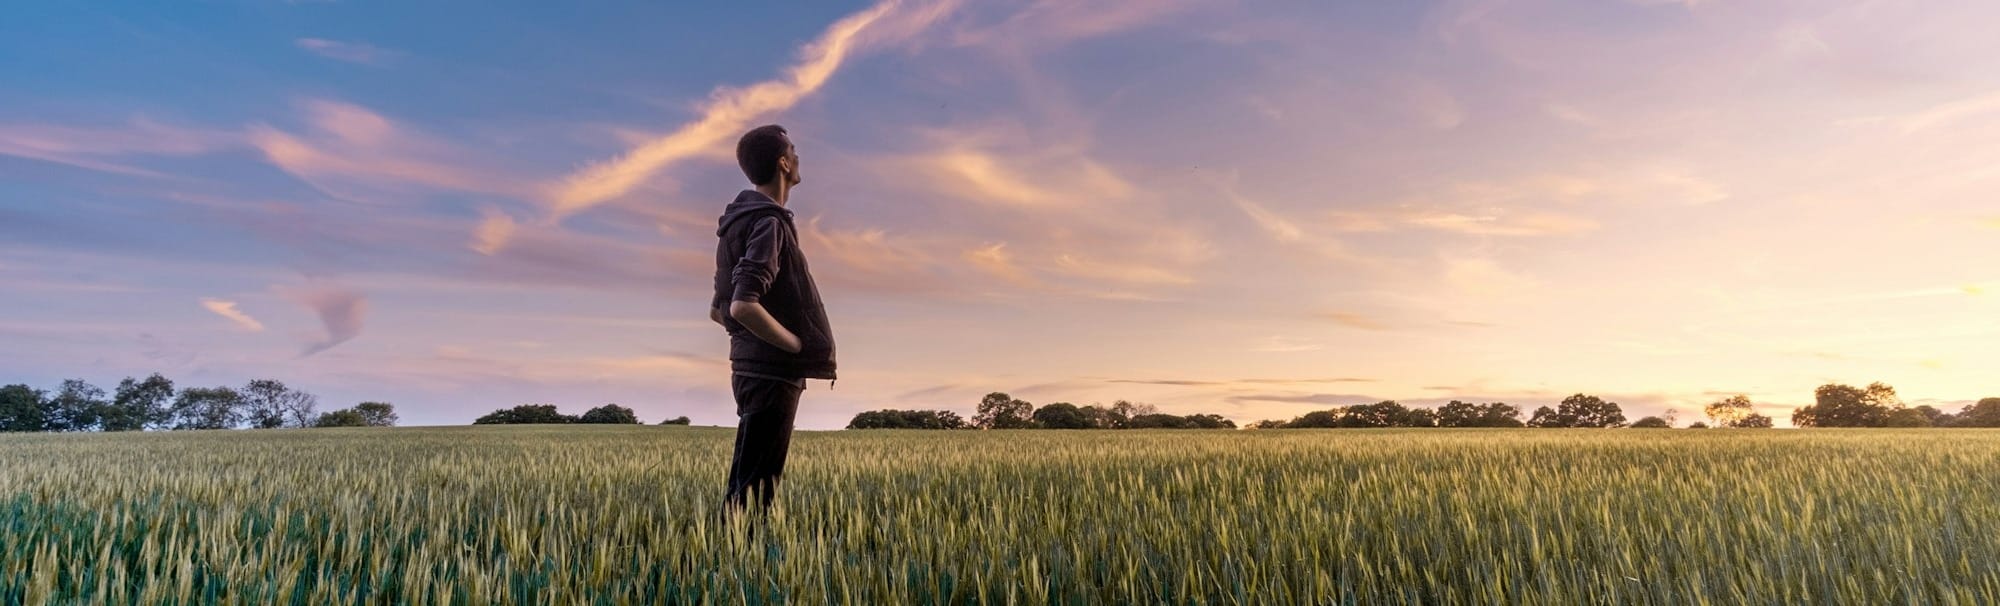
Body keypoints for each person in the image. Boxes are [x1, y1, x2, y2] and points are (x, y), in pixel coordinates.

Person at [710, 124, 837, 522]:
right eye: (794, 151)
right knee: (757, 492)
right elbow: (742, 306)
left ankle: (727, 563)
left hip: (749, 368)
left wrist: (748, 345)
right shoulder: (769, 222)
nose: (799, 158)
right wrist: (795, 346)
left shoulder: (736, 223)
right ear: (783, 163)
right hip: (772, 372)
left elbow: (719, 308)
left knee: (746, 483)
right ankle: (739, 573)